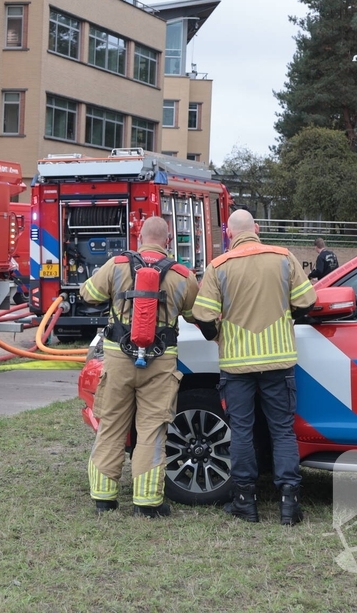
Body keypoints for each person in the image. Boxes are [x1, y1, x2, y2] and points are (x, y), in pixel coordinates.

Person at [192, 209, 317, 525]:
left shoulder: (219, 266)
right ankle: (290, 503)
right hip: (279, 360)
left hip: (236, 365)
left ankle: (245, 501)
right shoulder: (283, 257)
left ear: (230, 234)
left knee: (242, 433)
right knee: (282, 431)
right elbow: (307, 302)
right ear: (257, 229)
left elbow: (203, 316)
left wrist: (219, 335)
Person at [80, 216, 199, 518]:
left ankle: (103, 499)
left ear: (139, 237)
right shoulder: (182, 274)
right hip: (160, 363)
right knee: (152, 429)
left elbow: (89, 295)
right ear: (168, 241)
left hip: (118, 360)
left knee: (111, 426)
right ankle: (147, 504)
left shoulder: (117, 264)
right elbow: (198, 312)